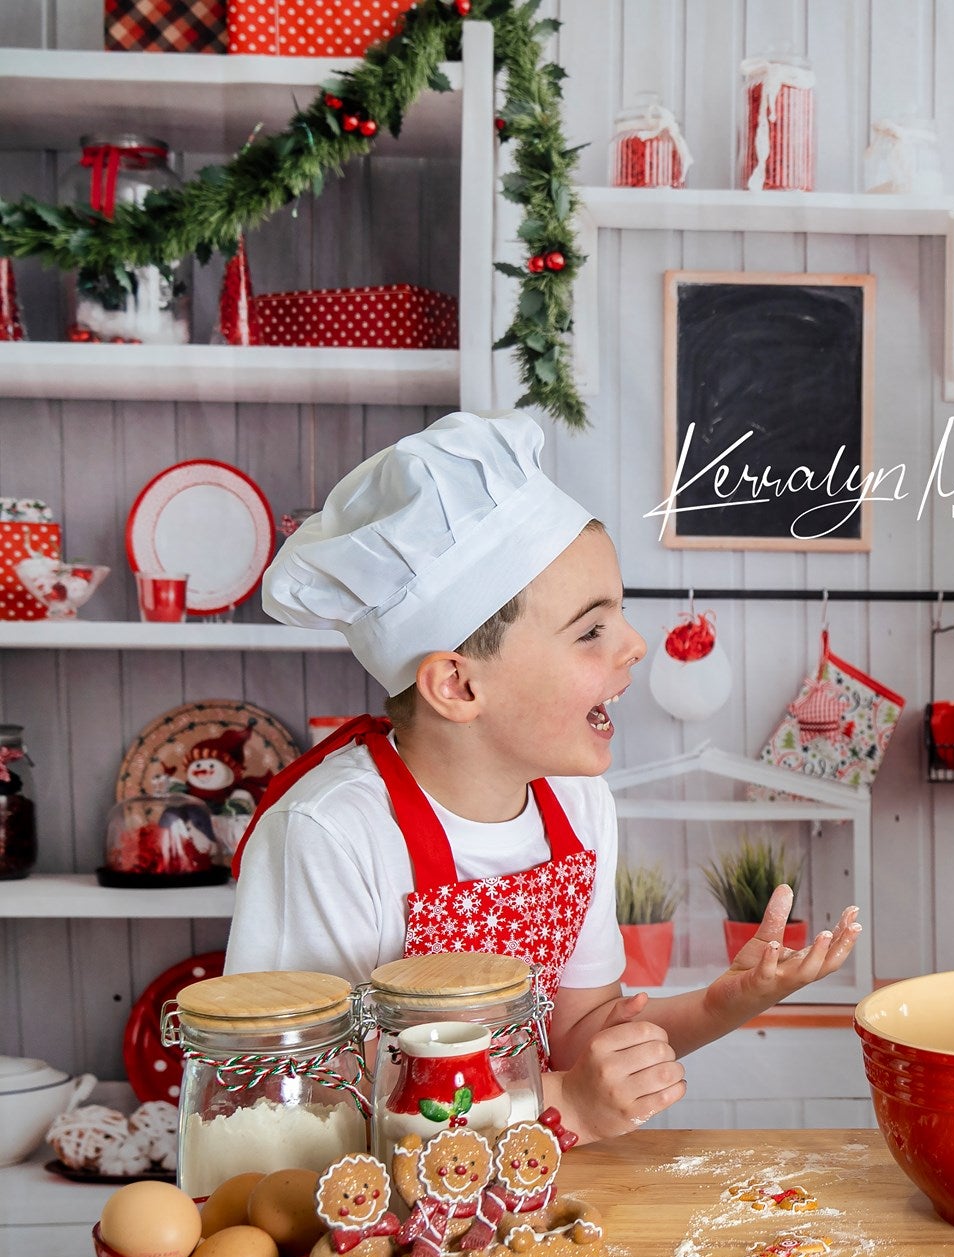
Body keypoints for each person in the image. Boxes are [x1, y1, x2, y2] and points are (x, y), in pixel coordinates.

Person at [225, 410, 858, 1142]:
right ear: (458, 686)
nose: (635, 645)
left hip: (523, 1192)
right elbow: (298, 1101)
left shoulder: (576, 805)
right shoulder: (330, 835)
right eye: (591, 629)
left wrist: (730, 1001)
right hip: (374, 1229)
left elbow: (583, 1031)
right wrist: (562, 1107)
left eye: (619, 615)